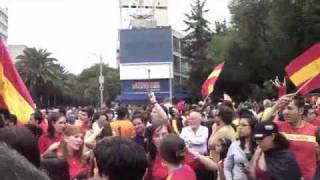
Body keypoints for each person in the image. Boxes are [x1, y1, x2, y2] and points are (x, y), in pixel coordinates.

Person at [263, 95, 319, 180]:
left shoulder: (314, 130)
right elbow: (261, 127)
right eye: (284, 108)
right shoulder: (278, 127)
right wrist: (276, 106)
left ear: (300, 111)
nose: (285, 112)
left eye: (289, 108)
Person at [224, 109, 258, 180]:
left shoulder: (260, 146)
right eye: (239, 125)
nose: (240, 127)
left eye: (244, 125)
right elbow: (227, 167)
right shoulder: (235, 145)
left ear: (253, 127)